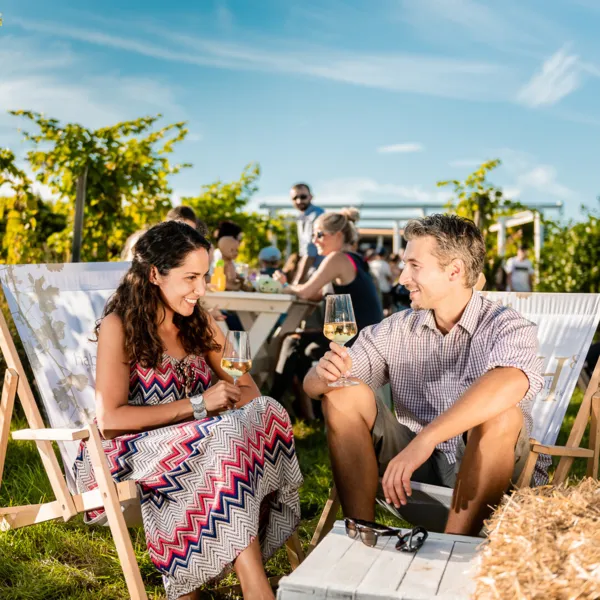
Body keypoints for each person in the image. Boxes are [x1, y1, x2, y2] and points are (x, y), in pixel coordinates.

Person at [73, 221, 302, 600]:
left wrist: (214, 412)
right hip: (128, 454)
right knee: (222, 436)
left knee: (268, 411)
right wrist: (199, 406)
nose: (202, 289)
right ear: (154, 275)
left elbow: (249, 391)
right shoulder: (119, 327)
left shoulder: (199, 323)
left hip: (203, 446)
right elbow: (111, 421)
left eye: (206, 276)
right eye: (190, 278)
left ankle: (207, 576)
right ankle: (255, 586)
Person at [303, 214, 544, 537]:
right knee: (343, 393)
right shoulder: (397, 329)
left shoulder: (507, 326)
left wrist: (427, 439)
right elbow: (316, 385)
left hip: (497, 478)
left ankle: (454, 550)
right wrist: (321, 375)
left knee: (502, 415)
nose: (402, 278)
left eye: (414, 266)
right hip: (414, 475)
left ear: (454, 271)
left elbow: (510, 380)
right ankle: (362, 537)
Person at [271, 208, 383, 419]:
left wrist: (284, 285)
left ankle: (270, 406)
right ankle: (309, 414)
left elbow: (306, 291)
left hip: (354, 339)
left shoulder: (337, 258)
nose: (315, 240)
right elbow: (316, 295)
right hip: (364, 337)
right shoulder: (353, 259)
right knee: (303, 349)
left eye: (319, 234)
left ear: (338, 235)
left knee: (291, 341)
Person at [290, 183, 324, 284]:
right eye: (295, 198)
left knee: (331, 296)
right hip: (319, 274)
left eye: (303, 196)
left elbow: (309, 252)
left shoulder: (316, 215)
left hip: (323, 274)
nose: (299, 201)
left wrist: (296, 284)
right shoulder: (302, 217)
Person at [369, 247, 394, 315]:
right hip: (384, 289)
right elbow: (389, 278)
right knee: (386, 309)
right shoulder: (385, 264)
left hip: (374, 289)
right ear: (384, 255)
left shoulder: (371, 264)